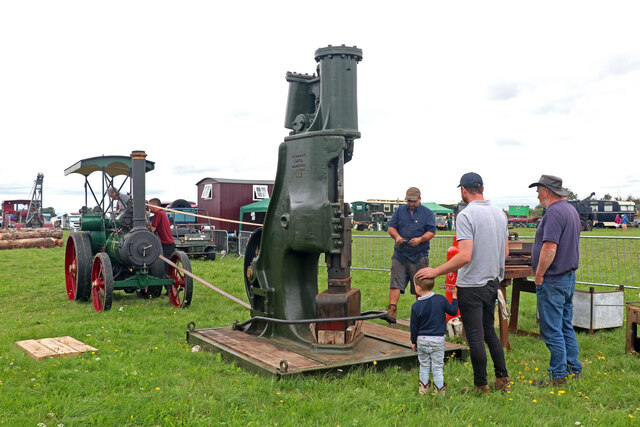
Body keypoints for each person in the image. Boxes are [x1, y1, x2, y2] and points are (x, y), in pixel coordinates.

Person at [415, 172, 510, 394]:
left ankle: (481, 385)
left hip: (472, 285)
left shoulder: (466, 216)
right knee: (490, 332)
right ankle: (503, 379)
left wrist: (436, 271)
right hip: (492, 283)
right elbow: (504, 252)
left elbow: (465, 255)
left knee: (475, 336)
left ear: (463, 190)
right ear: (483, 189)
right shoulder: (500, 214)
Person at [528, 174, 582, 386]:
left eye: (539, 189)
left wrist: (539, 275)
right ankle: (573, 368)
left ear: (547, 191)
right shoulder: (570, 210)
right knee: (565, 325)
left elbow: (550, 248)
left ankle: (558, 375)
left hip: (553, 278)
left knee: (552, 329)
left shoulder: (553, 213)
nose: (537, 193)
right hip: (568, 277)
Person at [386, 187, 436, 320]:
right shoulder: (399, 211)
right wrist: (397, 237)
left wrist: (420, 239)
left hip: (419, 255)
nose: (411, 204)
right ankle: (391, 311)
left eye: (413, 201)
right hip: (400, 255)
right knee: (395, 281)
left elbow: (431, 232)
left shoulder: (428, 213)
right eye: (409, 201)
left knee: (420, 285)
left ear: (420, 199)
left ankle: (421, 314)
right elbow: (391, 228)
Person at [411, 274, 458, 396]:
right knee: (437, 367)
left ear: (418, 287)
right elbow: (453, 311)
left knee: (424, 365)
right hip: (438, 340)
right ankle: (439, 394)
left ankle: (423, 391)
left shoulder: (416, 306)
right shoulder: (441, 299)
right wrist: (454, 296)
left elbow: (414, 327)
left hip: (422, 340)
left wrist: (413, 341)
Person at [148, 198, 175, 277]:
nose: (149, 208)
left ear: (154, 205)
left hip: (166, 243)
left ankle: (166, 281)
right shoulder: (162, 213)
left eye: (150, 206)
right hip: (168, 243)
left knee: (164, 266)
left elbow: (153, 229)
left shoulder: (158, 214)